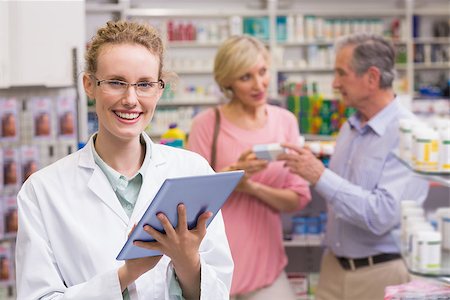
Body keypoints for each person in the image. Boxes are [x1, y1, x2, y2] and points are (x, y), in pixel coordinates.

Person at [15, 20, 233, 300]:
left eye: (144, 84)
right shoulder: (42, 192)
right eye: (116, 82)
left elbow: (219, 290)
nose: (131, 99)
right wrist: (126, 274)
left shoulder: (193, 171)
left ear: (159, 89)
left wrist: (187, 260)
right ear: (89, 85)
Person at [278, 33, 429, 300]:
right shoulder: (350, 127)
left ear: (372, 78)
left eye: (341, 74)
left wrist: (319, 175)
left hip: (381, 275)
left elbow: (382, 215)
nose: (335, 84)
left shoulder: (411, 135)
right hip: (334, 268)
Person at [188, 35, 311, 300]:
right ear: (227, 81)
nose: (259, 85)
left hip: (266, 268)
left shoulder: (285, 122)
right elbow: (187, 199)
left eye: (263, 72)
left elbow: (297, 199)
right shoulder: (206, 124)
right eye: (245, 77)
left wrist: (250, 187)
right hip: (212, 268)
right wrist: (231, 174)